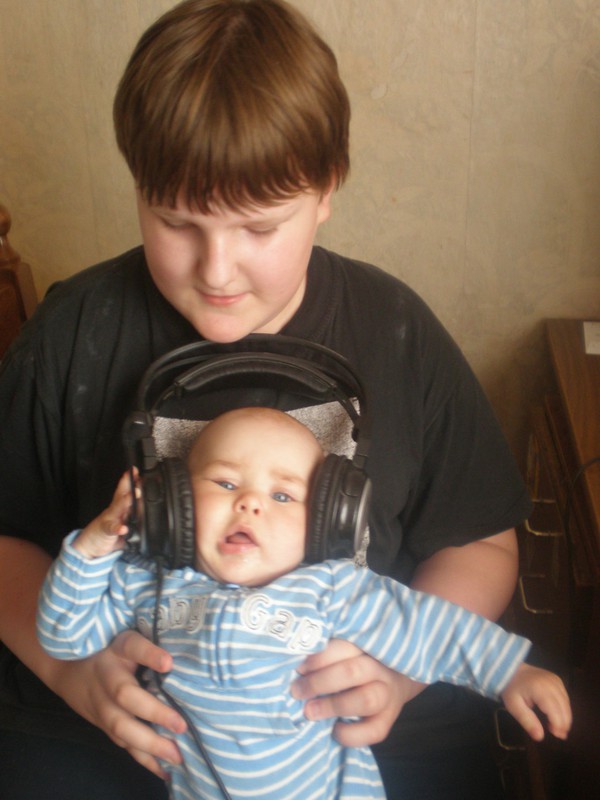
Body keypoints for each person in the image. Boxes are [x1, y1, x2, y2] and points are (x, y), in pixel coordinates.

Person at [0, 1, 537, 798]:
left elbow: (481, 546)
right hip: (105, 714)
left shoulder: (396, 328)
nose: (216, 270)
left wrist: (395, 674)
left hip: (347, 727)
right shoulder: (74, 328)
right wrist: (69, 673)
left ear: (326, 190)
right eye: (176, 221)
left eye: (258, 229)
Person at [37, 408, 571, 800]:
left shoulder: (331, 588)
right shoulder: (146, 584)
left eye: (282, 496)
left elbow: (427, 627)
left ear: (324, 525)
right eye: (224, 482)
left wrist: (507, 671)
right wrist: (91, 549)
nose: (249, 502)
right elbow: (65, 636)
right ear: (172, 503)